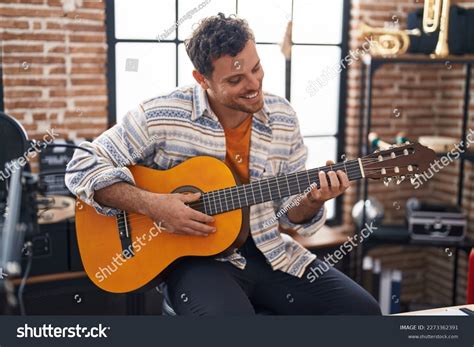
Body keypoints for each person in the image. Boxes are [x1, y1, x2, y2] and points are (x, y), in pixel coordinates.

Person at [65, 13, 381, 316]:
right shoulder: (161, 115)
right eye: (235, 79)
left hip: (269, 249)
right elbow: (82, 166)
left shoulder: (282, 116)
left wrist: (311, 202)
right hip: (196, 262)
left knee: (362, 312)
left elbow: (291, 215)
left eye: (256, 69)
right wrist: (154, 206)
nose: (254, 84)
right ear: (202, 79)